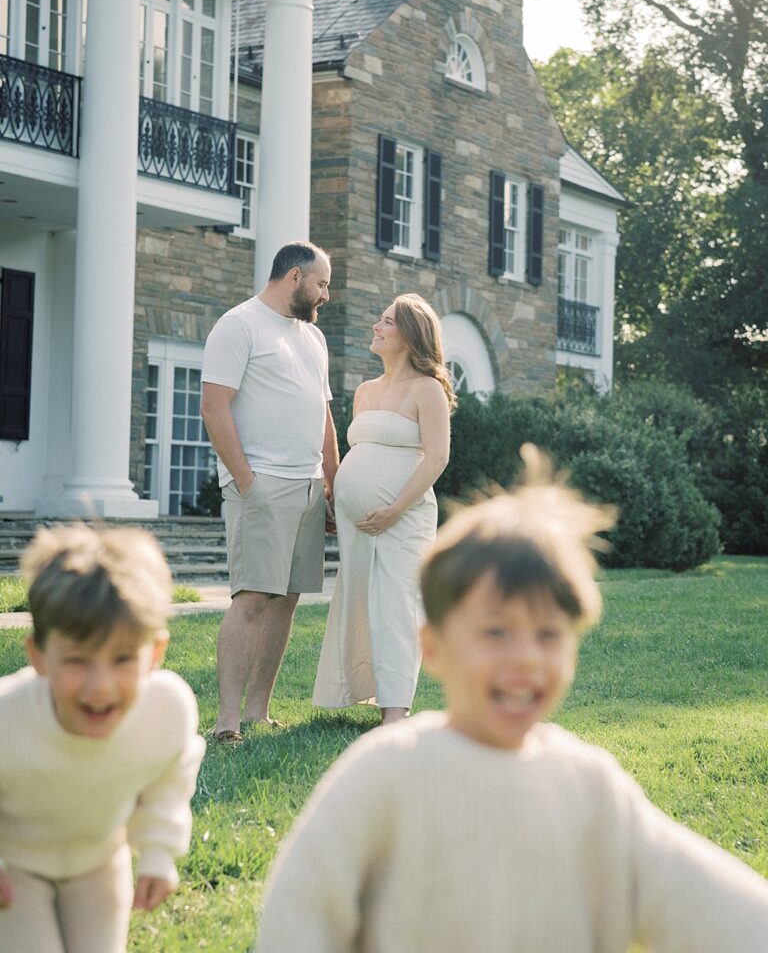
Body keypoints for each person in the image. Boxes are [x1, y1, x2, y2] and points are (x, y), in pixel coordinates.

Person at [255, 446, 768, 953]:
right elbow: (298, 916)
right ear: (431, 646)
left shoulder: (591, 787)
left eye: (548, 635)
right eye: (497, 632)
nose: (526, 658)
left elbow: (717, 908)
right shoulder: (386, 773)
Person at [0, 524, 205, 953]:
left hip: (98, 860)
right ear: (38, 655)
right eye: (77, 659)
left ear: (155, 653)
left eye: (122, 658)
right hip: (15, 867)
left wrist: (157, 852)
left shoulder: (166, 711)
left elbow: (168, 781)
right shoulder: (9, 717)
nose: (101, 686)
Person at [201, 240, 338, 742]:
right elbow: (215, 408)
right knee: (253, 599)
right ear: (295, 277)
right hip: (261, 484)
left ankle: (258, 711)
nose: (326, 294)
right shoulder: (238, 325)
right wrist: (246, 481)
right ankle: (226, 721)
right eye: (322, 283)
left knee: (285, 601)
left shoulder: (312, 339)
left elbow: (322, 415)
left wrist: (331, 483)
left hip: (306, 487)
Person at [313, 293, 454, 725]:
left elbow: (437, 458)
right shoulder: (366, 391)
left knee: (396, 605)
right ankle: (360, 691)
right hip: (359, 523)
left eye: (387, 322)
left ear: (410, 336)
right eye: (380, 319)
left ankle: (396, 710)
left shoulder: (426, 389)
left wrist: (394, 508)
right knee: (359, 601)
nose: (377, 326)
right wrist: (338, 497)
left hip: (404, 517)